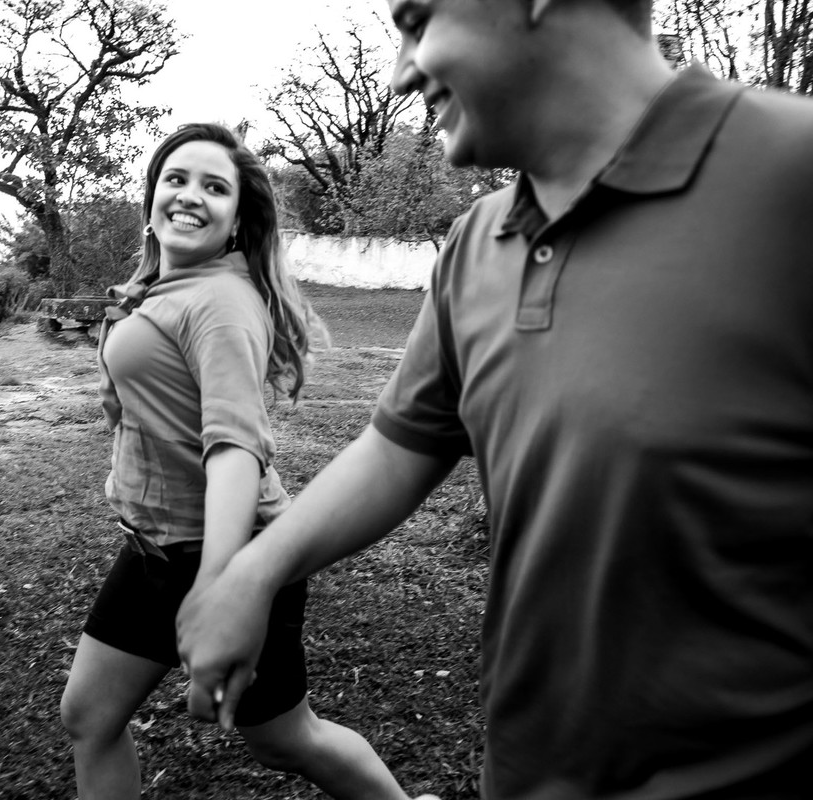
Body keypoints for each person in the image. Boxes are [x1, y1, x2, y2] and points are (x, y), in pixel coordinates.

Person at [177, 0, 813, 798]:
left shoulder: (792, 176)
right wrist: (251, 574)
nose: (401, 72)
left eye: (416, 21)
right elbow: (400, 447)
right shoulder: (478, 241)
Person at [58, 123, 417, 800]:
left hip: (227, 550)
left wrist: (221, 587)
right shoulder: (169, 288)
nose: (191, 196)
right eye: (177, 179)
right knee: (88, 717)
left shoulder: (220, 302)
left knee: (285, 738)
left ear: (235, 220)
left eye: (214, 187)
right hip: (154, 548)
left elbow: (235, 449)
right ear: (152, 198)